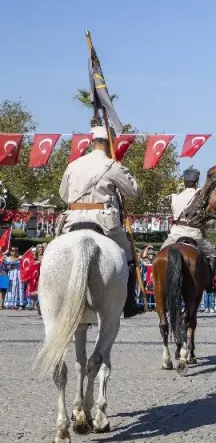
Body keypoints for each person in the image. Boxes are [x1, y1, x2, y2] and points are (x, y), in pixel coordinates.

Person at [58, 125, 143, 317]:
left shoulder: (73, 165)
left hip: (73, 220)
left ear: (92, 142)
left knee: (53, 254)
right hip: (104, 222)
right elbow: (133, 191)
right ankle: (129, 303)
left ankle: (46, 300)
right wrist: (123, 170)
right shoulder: (113, 166)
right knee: (130, 257)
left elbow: (64, 195)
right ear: (111, 143)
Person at [158, 167, 216, 279]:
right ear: (196, 182)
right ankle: (210, 284)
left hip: (175, 235)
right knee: (212, 254)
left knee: (159, 255)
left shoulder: (175, 197)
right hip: (195, 234)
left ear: (184, 182)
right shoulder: (201, 196)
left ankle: (153, 281)